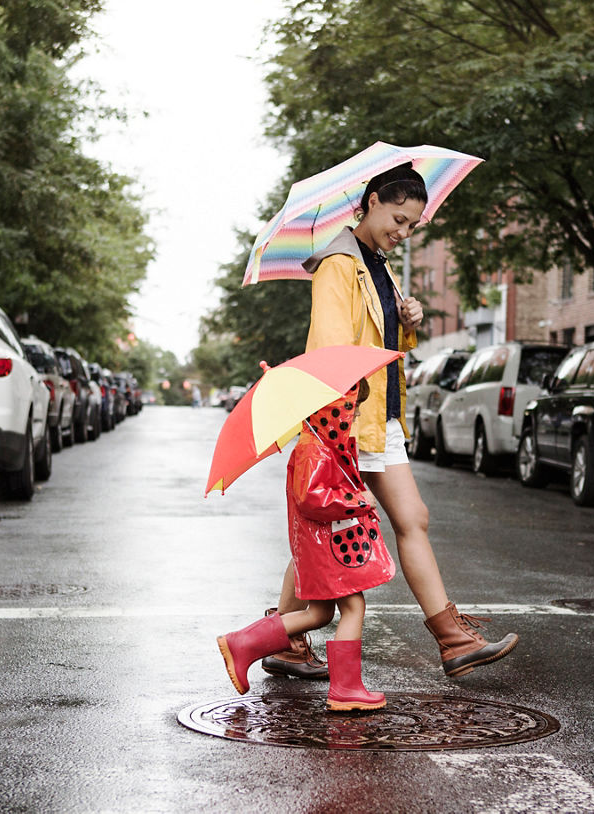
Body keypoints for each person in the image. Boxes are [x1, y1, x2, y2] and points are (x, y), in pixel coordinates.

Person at [261, 161, 519, 681]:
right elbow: (335, 351)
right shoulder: (339, 264)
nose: (402, 233)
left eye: (412, 227)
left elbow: (380, 346)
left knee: (395, 520)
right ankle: (446, 637)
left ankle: (290, 638)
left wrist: (407, 325)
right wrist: (338, 430)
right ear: (373, 200)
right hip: (352, 420)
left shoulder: (375, 263)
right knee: (355, 523)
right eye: (398, 219)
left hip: (384, 415)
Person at [218, 382, 393, 711]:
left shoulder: (325, 443)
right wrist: (358, 500)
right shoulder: (314, 448)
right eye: (351, 406)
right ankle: (346, 690)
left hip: (324, 543)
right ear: (330, 408)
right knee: (353, 608)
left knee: (320, 612)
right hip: (325, 544)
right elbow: (312, 499)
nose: (354, 413)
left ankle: (242, 643)